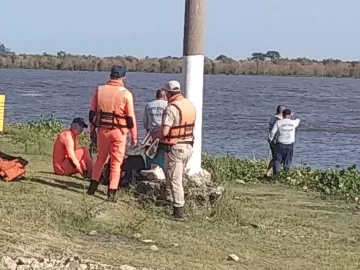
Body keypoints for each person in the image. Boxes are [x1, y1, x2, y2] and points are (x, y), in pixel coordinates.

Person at [87, 65, 138, 202]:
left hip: (102, 131)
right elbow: (130, 118)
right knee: (116, 162)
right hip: (119, 132)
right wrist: (134, 136)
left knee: (100, 159)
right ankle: (112, 193)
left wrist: (92, 129)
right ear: (123, 78)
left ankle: (92, 187)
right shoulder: (126, 94)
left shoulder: (99, 90)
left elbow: (92, 114)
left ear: (110, 76)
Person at [157, 80, 196, 221]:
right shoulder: (189, 105)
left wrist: (156, 134)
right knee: (173, 175)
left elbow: (166, 131)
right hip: (188, 146)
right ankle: (169, 202)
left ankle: (178, 211)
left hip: (176, 147)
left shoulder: (171, 108)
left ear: (167, 93)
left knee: (174, 179)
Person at [268, 108, 300, 177]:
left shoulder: (278, 122)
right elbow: (298, 120)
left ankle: (277, 175)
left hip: (280, 144)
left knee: (277, 160)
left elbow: (272, 133)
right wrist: (292, 117)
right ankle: (286, 174)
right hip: (289, 145)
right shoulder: (293, 122)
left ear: (283, 114)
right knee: (288, 160)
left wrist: (270, 140)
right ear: (290, 115)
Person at [142, 89, 168, 170]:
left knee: (150, 153)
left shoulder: (149, 105)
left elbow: (145, 122)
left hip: (151, 134)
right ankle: (162, 171)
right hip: (163, 133)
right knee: (162, 153)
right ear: (165, 96)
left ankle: (150, 169)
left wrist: (148, 129)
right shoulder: (168, 105)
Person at [265, 105, 286, 177]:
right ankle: (274, 173)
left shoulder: (274, 118)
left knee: (276, 157)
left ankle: (269, 172)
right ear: (282, 112)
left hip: (273, 140)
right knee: (278, 158)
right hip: (275, 142)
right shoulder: (277, 120)